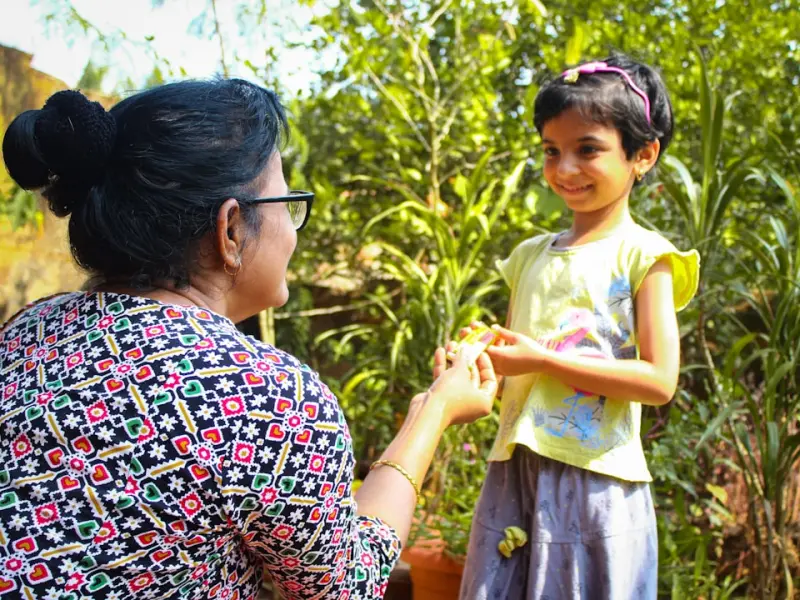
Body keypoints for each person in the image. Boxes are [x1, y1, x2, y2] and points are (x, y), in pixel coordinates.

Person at [0, 81, 497, 600]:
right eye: (288, 202)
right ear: (232, 229)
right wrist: (433, 412)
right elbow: (341, 586)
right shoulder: (266, 398)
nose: (293, 229)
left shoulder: (28, 331)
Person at [458, 55, 700, 599]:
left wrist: (542, 360)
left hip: (596, 483)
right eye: (551, 150)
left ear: (643, 155)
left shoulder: (647, 256)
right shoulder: (527, 256)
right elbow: (515, 376)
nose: (564, 168)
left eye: (587, 149)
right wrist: (475, 363)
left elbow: (660, 381)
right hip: (513, 476)